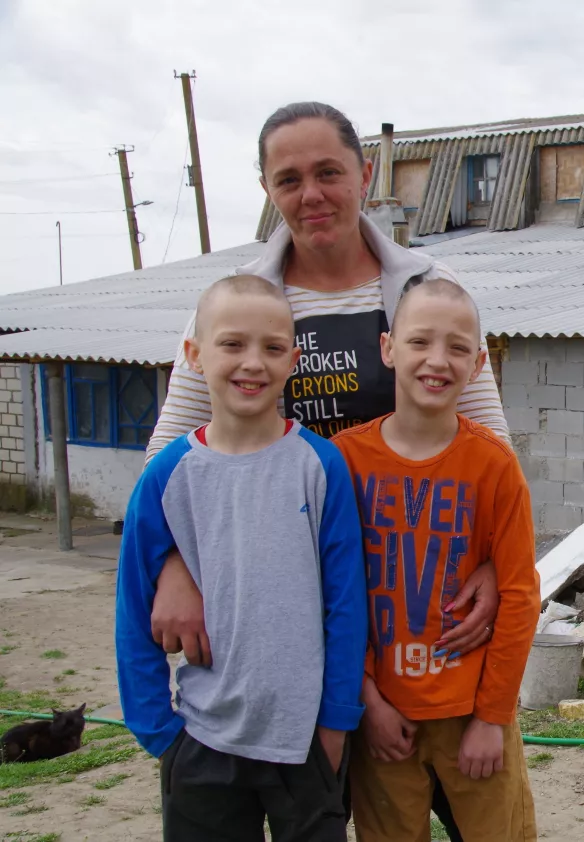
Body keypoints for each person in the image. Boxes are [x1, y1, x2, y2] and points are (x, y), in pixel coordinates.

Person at [146, 101, 507, 838]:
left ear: (364, 175)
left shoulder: (428, 291)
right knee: (357, 811)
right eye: (288, 179)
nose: (310, 195)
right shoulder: (239, 302)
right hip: (295, 616)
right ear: (267, 189)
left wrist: (496, 567)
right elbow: (170, 455)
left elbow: (491, 447)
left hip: (426, 599)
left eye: (328, 173)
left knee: (480, 811)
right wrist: (175, 563)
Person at [115, 275, 368, 841]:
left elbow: (347, 607)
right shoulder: (165, 477)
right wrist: (159, 732)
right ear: (194, 355)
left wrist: (335, 722)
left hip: (305, 742)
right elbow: (133, 609)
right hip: (202, 741)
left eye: (273, 347)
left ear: (293, 360)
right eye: (232, 344)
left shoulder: (320, 466)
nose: (253, 362)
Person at [333, 277, 541, 841]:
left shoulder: (494, 465)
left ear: (478, 364)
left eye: (456, 347)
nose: (436, 360)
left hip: (472, 712)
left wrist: (492, 719)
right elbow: (330, 596)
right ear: (388, 348)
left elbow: (521, 594)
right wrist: (366, 700)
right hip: (382, 721)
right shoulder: (341, 462)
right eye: (420, 341)